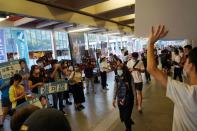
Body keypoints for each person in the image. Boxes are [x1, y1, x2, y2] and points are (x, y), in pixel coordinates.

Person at [147, 25, 197, 131]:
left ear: (191, 65)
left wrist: (151, 43)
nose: (184, 60)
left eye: (187, 59)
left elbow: (152, 68)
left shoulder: (186, 93)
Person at [113, 61, 134, 131]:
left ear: (123, 70)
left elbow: (133, 87)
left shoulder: (129, 76)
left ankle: (128, 128)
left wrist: (136, 98)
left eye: (120, 69)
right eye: (117, 69)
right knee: (122, 115)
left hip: (129, 98)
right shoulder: (116, 77)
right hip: (120, 98)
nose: (118, 71)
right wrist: (114, 98)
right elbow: (115, 87)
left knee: (126, 116)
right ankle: (128, 123)